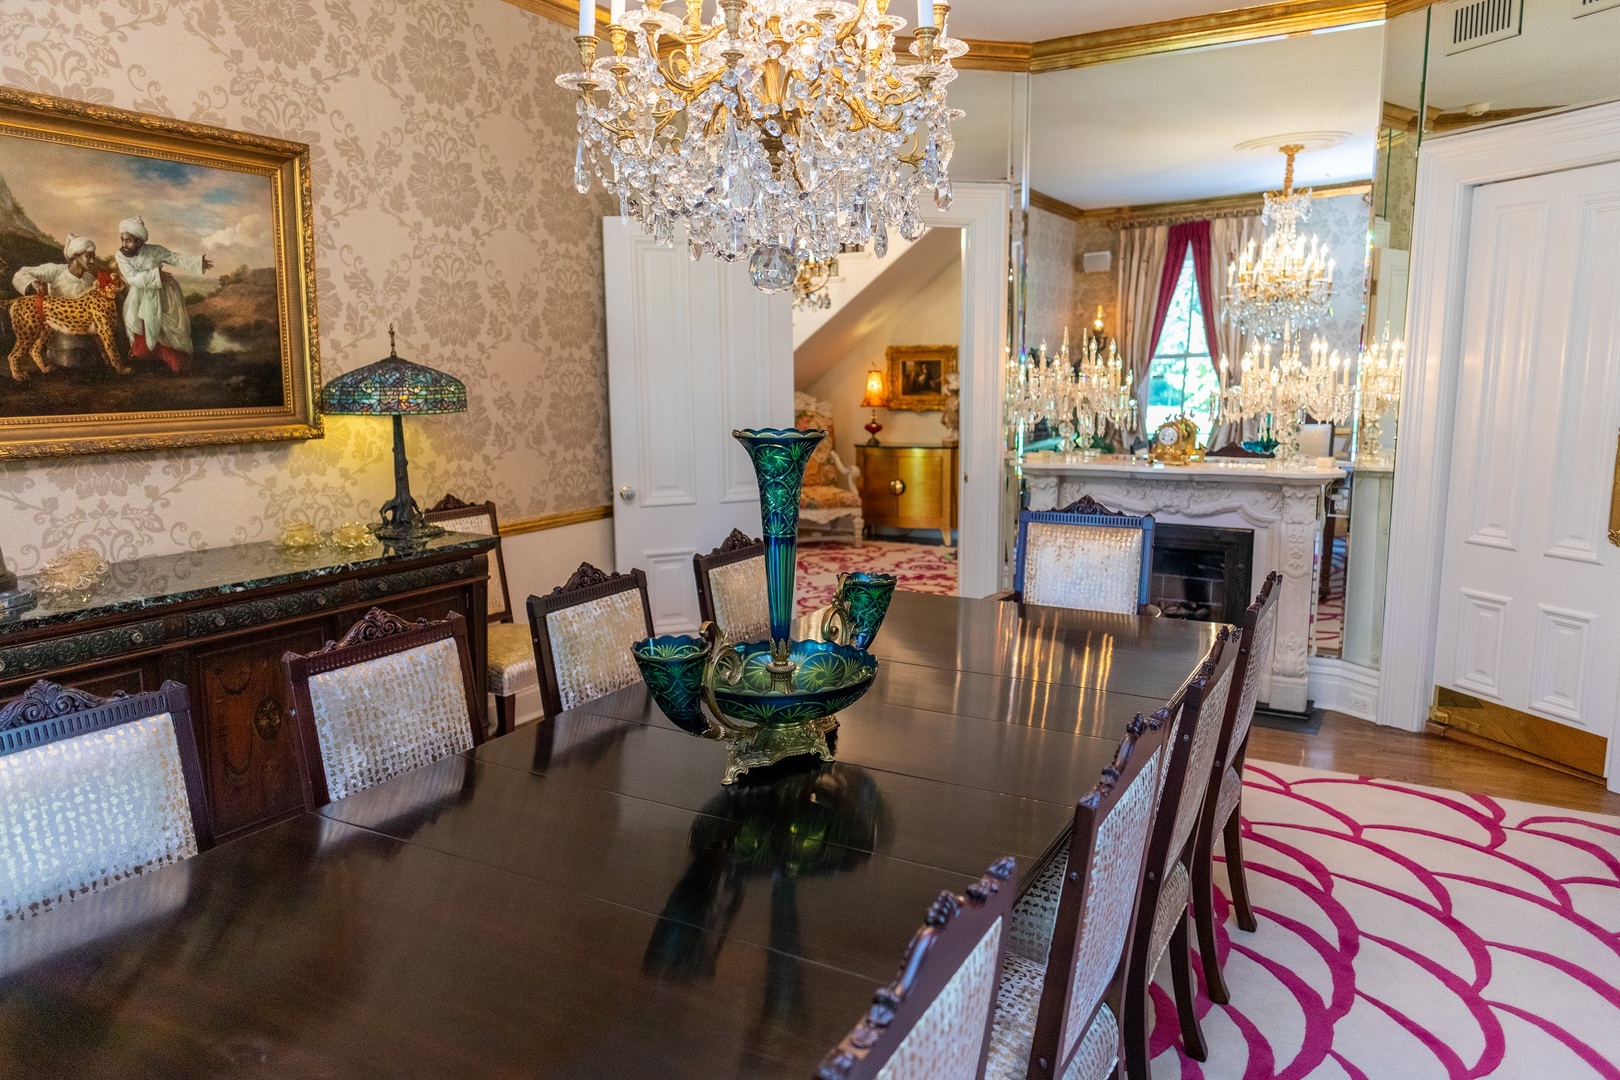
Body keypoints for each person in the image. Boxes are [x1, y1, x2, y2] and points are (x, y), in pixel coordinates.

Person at [113, 216, 212, 374]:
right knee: (139, 326)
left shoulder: (155, 251)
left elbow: (175, 258)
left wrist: (197, 262)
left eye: (129, 240)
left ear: (139, 242)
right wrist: (155, 275)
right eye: (123, 240)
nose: (124, 244)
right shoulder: (120, 255)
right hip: (139, 296)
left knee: (167, 328)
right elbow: (132, 278)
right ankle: (148, 357)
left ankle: (172, 358)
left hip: (164, 294)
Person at [11, 234, 99, 298]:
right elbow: (22, 273)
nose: (92, 261)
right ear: (76, 256)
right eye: (88, 256)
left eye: (93, 258)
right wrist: (33, 282)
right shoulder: (55, 270)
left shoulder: (92, 281)